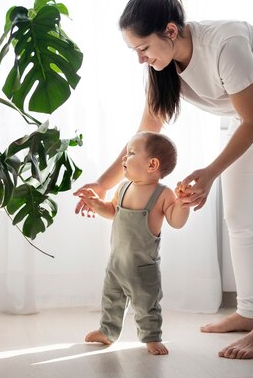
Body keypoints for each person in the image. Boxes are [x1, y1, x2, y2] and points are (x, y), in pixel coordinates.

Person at [74, 0, 253, 359]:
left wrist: (209, 172)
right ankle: (247, 311)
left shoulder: (225, 44)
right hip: (245, 120)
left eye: (143, 48)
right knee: (238, 218)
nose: (140, 58)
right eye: (134, 50)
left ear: (170, 31)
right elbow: (146, 133)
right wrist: (105, 185)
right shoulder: (163, 66)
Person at [77, 131, 189, 355]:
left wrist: (183, 204)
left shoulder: (163, 194)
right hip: (117, 263)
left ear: (152, 164)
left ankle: (151, 337)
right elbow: (112, 211)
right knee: (111, 300)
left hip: (143, 268)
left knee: (147, 304)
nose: (123, 159)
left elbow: (176, 222)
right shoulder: (123, 187)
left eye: (130, 153)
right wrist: (97, 204)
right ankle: (107, 332)